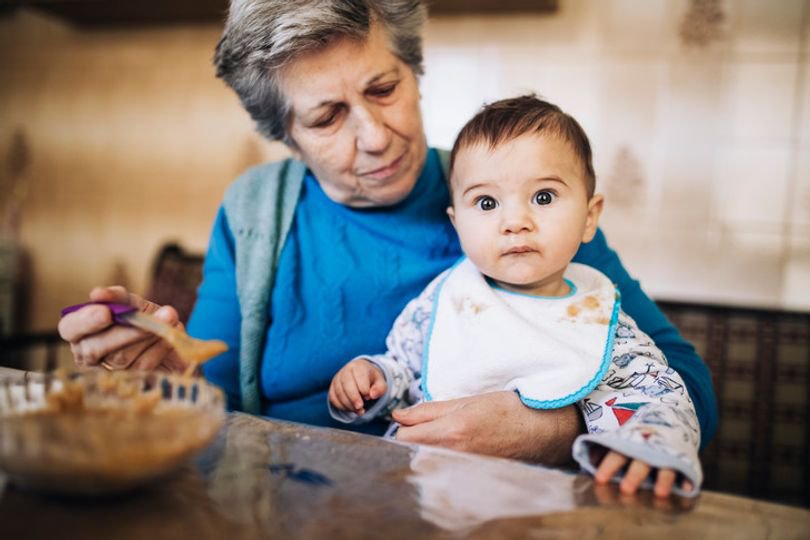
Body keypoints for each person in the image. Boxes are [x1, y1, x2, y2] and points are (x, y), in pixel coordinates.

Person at [57, 0, 717, 466]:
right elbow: (212, 404)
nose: (373, 137)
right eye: (326, 117)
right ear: (285, 134)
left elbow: (686, 385)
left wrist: (553, 425)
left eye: (382, 88)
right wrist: (161, 375)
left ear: (417, 73)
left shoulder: (520, 201)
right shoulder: (255, 211)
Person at [328, 95, 702, 497]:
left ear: (589, 217)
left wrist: (646, 446)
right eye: (486, 203)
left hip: (545, 512)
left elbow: (661, 398)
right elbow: (405, 371)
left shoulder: (598, 320)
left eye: (543, 197)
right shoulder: (449, 297)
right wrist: (375, 380)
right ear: (457, 223)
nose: (514, 222)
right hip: (423, 500)